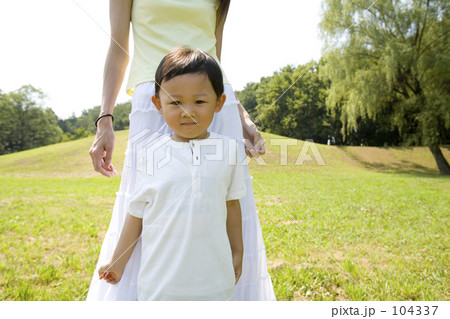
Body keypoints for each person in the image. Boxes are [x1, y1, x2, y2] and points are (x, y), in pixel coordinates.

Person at [87, 0, 275, 301]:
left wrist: (241, 115)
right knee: (146, 200)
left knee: (221, 198)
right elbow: (117, 48)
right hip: (155, 99)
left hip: (213, 105)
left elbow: (215, 61)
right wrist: (104, 118)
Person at [98, 47, 246, 300]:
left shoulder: (229, 150)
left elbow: (232, 205)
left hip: (215, 283)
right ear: (158, 104)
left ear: (219, 103)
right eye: (175, 102)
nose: (187, 111)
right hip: (159, 287)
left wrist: (237, 251)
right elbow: (136, 212)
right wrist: (118, 261)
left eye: (199, 101)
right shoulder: (151, 153)